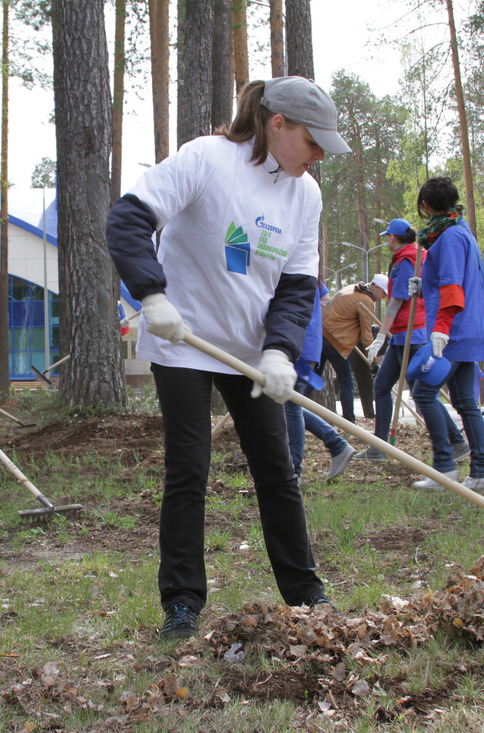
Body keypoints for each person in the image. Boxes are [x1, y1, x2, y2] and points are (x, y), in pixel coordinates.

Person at [106, 76, 351, 640]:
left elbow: (295, 285)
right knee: (188, 471)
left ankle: (306, 594)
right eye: (312, 144)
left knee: (277, 471)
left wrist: (281, 353)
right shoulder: (208, 159)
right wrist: (152, 293)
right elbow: (127, 218)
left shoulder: (305, 194)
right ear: (277, 124)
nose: (316, 158)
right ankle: (183, 603)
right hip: (184, 339)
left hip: (249, 354)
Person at [407, 177, 484, 494]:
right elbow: (448, 282)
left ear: (427, 206)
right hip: (469, 328)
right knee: (465, 401)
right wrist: (422, 285)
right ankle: (482, 472)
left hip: (454, 331)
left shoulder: (450, 238)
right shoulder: (460, 231)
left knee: (422, 392)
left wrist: (441, 331)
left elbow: (453, 288)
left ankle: (445, 469)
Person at [362, 222, 467, 462]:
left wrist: (380, 337)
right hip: (401, 335)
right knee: (381, 386)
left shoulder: (406, 260)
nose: (386, 241)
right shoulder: (407, 257)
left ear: (393, 237)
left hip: (414, 334)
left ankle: (456, 442)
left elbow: (397, 301)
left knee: (423, 393)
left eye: (386, 237)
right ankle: (380, 448)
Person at [285, 282, 355, 482]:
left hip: (297, 346)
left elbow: (324, 299)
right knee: (287, 402)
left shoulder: (295, 265)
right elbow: (324, 298)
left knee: (290, 405)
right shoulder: (308, 272)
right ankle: (336, 445)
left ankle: (294, 472)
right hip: (303, 343)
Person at [319, 278, 384, 422]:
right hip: (336, 341)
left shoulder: (352, 288)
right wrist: (373, 361)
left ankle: (294, 409)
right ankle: (350, 421)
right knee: (346, 380)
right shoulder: (366, 301)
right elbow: (367, 336)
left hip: (321, 333)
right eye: (383, 293)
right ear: (376, 288)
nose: (383, 297)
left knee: (314, 375)